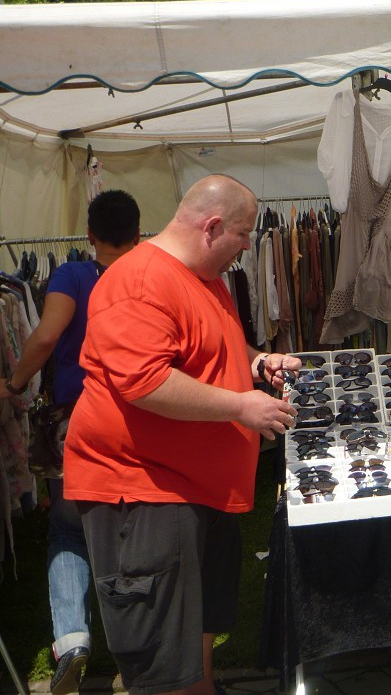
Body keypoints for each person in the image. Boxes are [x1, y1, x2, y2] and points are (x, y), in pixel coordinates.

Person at [62, 175, 300, 695]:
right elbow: (144, 382)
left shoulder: (205, 278)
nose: (244, 249)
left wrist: (258, 365)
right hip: (144, 492)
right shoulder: (139, 280)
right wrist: (241, 405)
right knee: (162, 655)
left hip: (194, 490)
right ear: (213, 227)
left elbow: (212, 353)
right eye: (242, 235)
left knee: (194, 636)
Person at [0, 190, 140, 694]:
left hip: (77, 419)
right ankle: (134, 653)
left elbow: (43, 338)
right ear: (139, 233)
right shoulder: (151, 275)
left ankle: (74, 641)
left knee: (69, 530)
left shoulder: (73, 276)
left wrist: (15, 384)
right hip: (140, 416)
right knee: (130, 529)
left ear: (89, 236)